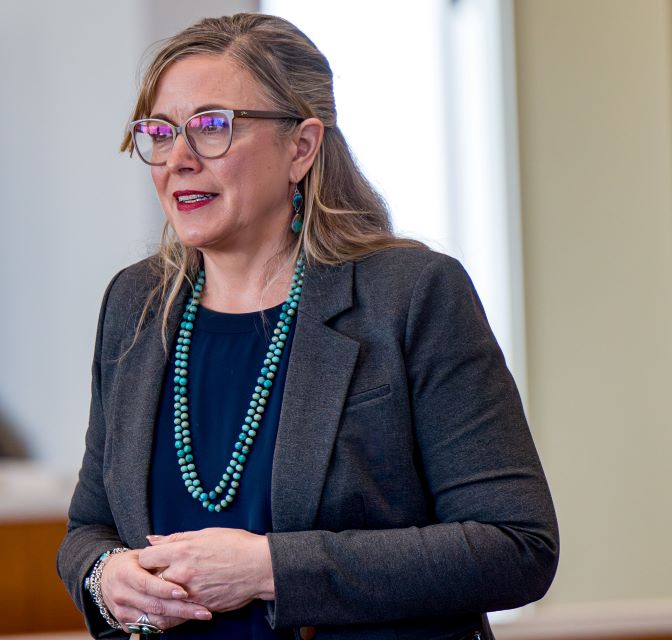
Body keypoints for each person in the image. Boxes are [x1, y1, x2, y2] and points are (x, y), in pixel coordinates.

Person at [57, 12, 558, 640]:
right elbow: (89, 529)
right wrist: (104, 577)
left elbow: (516, 546)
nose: (177, 159)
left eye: (211, 127)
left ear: (301, 146)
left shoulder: (409, 295)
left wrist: (271, 569)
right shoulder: (136, 304)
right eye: (159, 132)